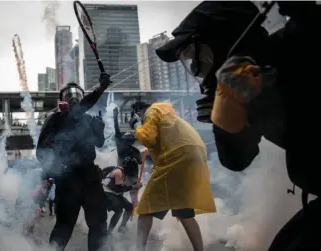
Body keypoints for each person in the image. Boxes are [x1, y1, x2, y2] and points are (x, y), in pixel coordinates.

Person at [154, 1, 321, 250]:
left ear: (223, 42)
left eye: (196, 56)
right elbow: (236, 160)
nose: (195, 69)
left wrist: (302, 10)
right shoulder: (240, 90)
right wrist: (227, 112)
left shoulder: (299, 44)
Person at [36, 72, 112, 251]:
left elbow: (99, 143)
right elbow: (41, 151)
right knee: (64, 226)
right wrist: (55, 168)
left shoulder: (87, 119)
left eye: (77, 94)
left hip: (90, 178)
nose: (73, 98)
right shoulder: (56, 119)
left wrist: (99, 129)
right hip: (68, 179)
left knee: (99, 224)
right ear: (62, 100)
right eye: (69, 95)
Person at [129, 101, 216, 251]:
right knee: (183, 210)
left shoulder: (151, 111)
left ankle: (139, 249)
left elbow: (147, 138)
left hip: (177, 157)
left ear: (138, 112)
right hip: (193, 154)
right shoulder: (167, 115)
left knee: (145, 209)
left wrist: (137, 126)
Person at [102, 158, 142, 234]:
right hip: (106, 192)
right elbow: (118, 189)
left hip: (113, 193)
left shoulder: (122, 172)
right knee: (119, 210)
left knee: (130, 207)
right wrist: (133, 187)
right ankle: (109, 232)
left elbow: (120, 187)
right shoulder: (118, 172)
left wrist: (134, 185)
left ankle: (122, 226)